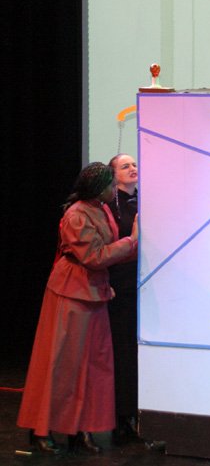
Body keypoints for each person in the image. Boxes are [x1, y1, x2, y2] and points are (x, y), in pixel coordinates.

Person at [17, 162, 138, 455]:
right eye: (110, 185)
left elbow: (105, 256)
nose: (114, 189)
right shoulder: (76, 215)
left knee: (94, 366)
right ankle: (41, 429)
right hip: (71, 293)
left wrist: (130, 249)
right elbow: (94, 256)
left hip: (94, 291)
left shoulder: (101, 209)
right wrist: (132, 241)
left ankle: (81, 429)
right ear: (98, 188)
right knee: (62, 363)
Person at [106, 153, 139, 443]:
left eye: (134, 164)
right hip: (121, 286)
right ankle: (121, 416)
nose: (132, 168)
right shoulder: (108, 207)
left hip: (146, 287)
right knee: (123, 352)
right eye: (125, 166)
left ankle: (140, 413)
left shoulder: (144, 200)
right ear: (113, 174)